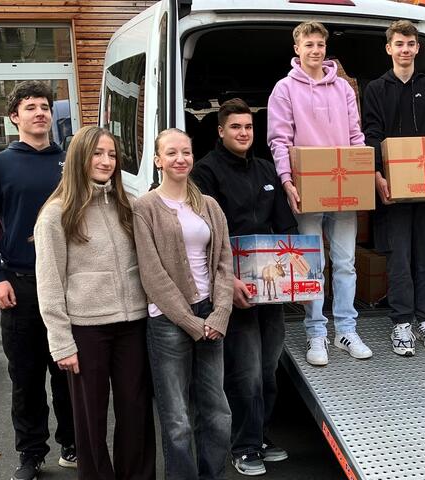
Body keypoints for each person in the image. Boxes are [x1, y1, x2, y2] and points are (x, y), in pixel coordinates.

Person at [34, 126, 155, 479]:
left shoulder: (127, 206)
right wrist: (61, 342)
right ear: (79, 159)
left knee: (136, 411)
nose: (106, 161)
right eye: (98, 154)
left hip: (132, 324)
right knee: (91, 418)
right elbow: (50, 282)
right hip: (86, 329)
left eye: (112, 155)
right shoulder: (56, 213)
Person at [0, 80, 76, 480]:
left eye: (44, 106)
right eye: (30, 107)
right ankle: (31, 454)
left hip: (68, 284)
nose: (39, 113)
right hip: (20, 283)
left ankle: (73, 444)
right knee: (27, 377)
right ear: (14, 117)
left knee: (69, 371)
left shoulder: (70, 163)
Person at [191, 98, 297, 476]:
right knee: (245, 370)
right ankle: (244, 445)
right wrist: (227, 282)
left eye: (248, 127)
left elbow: (285, 227)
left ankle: (260, 435)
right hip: (232, 287)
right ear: (221, 130)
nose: (243, 133)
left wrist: (295, 273)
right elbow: (205, 236)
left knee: (268, 368)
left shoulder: (266, 169)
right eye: (235, 127)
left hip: (270, 286)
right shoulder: (205, 173)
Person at [267, 21, 372, 366]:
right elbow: (279, 140)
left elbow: (356, 136)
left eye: (320, 45)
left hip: (342, 186)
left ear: (326, 48)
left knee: (345, 263)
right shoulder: (284, 89)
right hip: (307, 189)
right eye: (309, 44)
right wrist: (287, 181)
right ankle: (316, 332)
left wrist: (361, 175)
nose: (315, 50)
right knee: (313, 264)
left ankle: (346, 330)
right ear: (297, 49)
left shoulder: (342, 88)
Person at [133, 129, 234, 479]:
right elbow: (152, 274)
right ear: (158, 160)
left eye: (186, 152)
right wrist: (190, 322)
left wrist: (220, 313)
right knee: (177, 419)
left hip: (211, 314)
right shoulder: (144, 208)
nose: (180, 159)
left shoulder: (209, 206)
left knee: (217, 412)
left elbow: (224, 262)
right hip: (168, 321)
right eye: (171, 153)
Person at [361, 19, 425, 356]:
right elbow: (371, 134)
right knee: (399, 256)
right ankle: (402, 322)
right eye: (399, 44)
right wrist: (377, 174)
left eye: (410, 44)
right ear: (389, 48)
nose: (405, 50)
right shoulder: (376, 89)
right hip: (393, 189)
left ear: (418, 48)